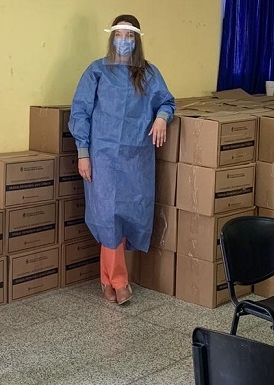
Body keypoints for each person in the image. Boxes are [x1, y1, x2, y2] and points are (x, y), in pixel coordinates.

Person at [69, 15, 175, 305]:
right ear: (112, 37)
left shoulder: (148, 73)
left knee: (130, 215)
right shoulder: (97, 71)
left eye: (130, 36)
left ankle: (107, 280)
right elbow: (80, 113)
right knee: (108, 217)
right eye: (120, 35)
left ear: (137, 40)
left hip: (137, 158)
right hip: (102, 158)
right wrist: (83, 153)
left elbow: (167, 101)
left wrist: (162, 118)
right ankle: (119, 280)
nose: (124, 41)